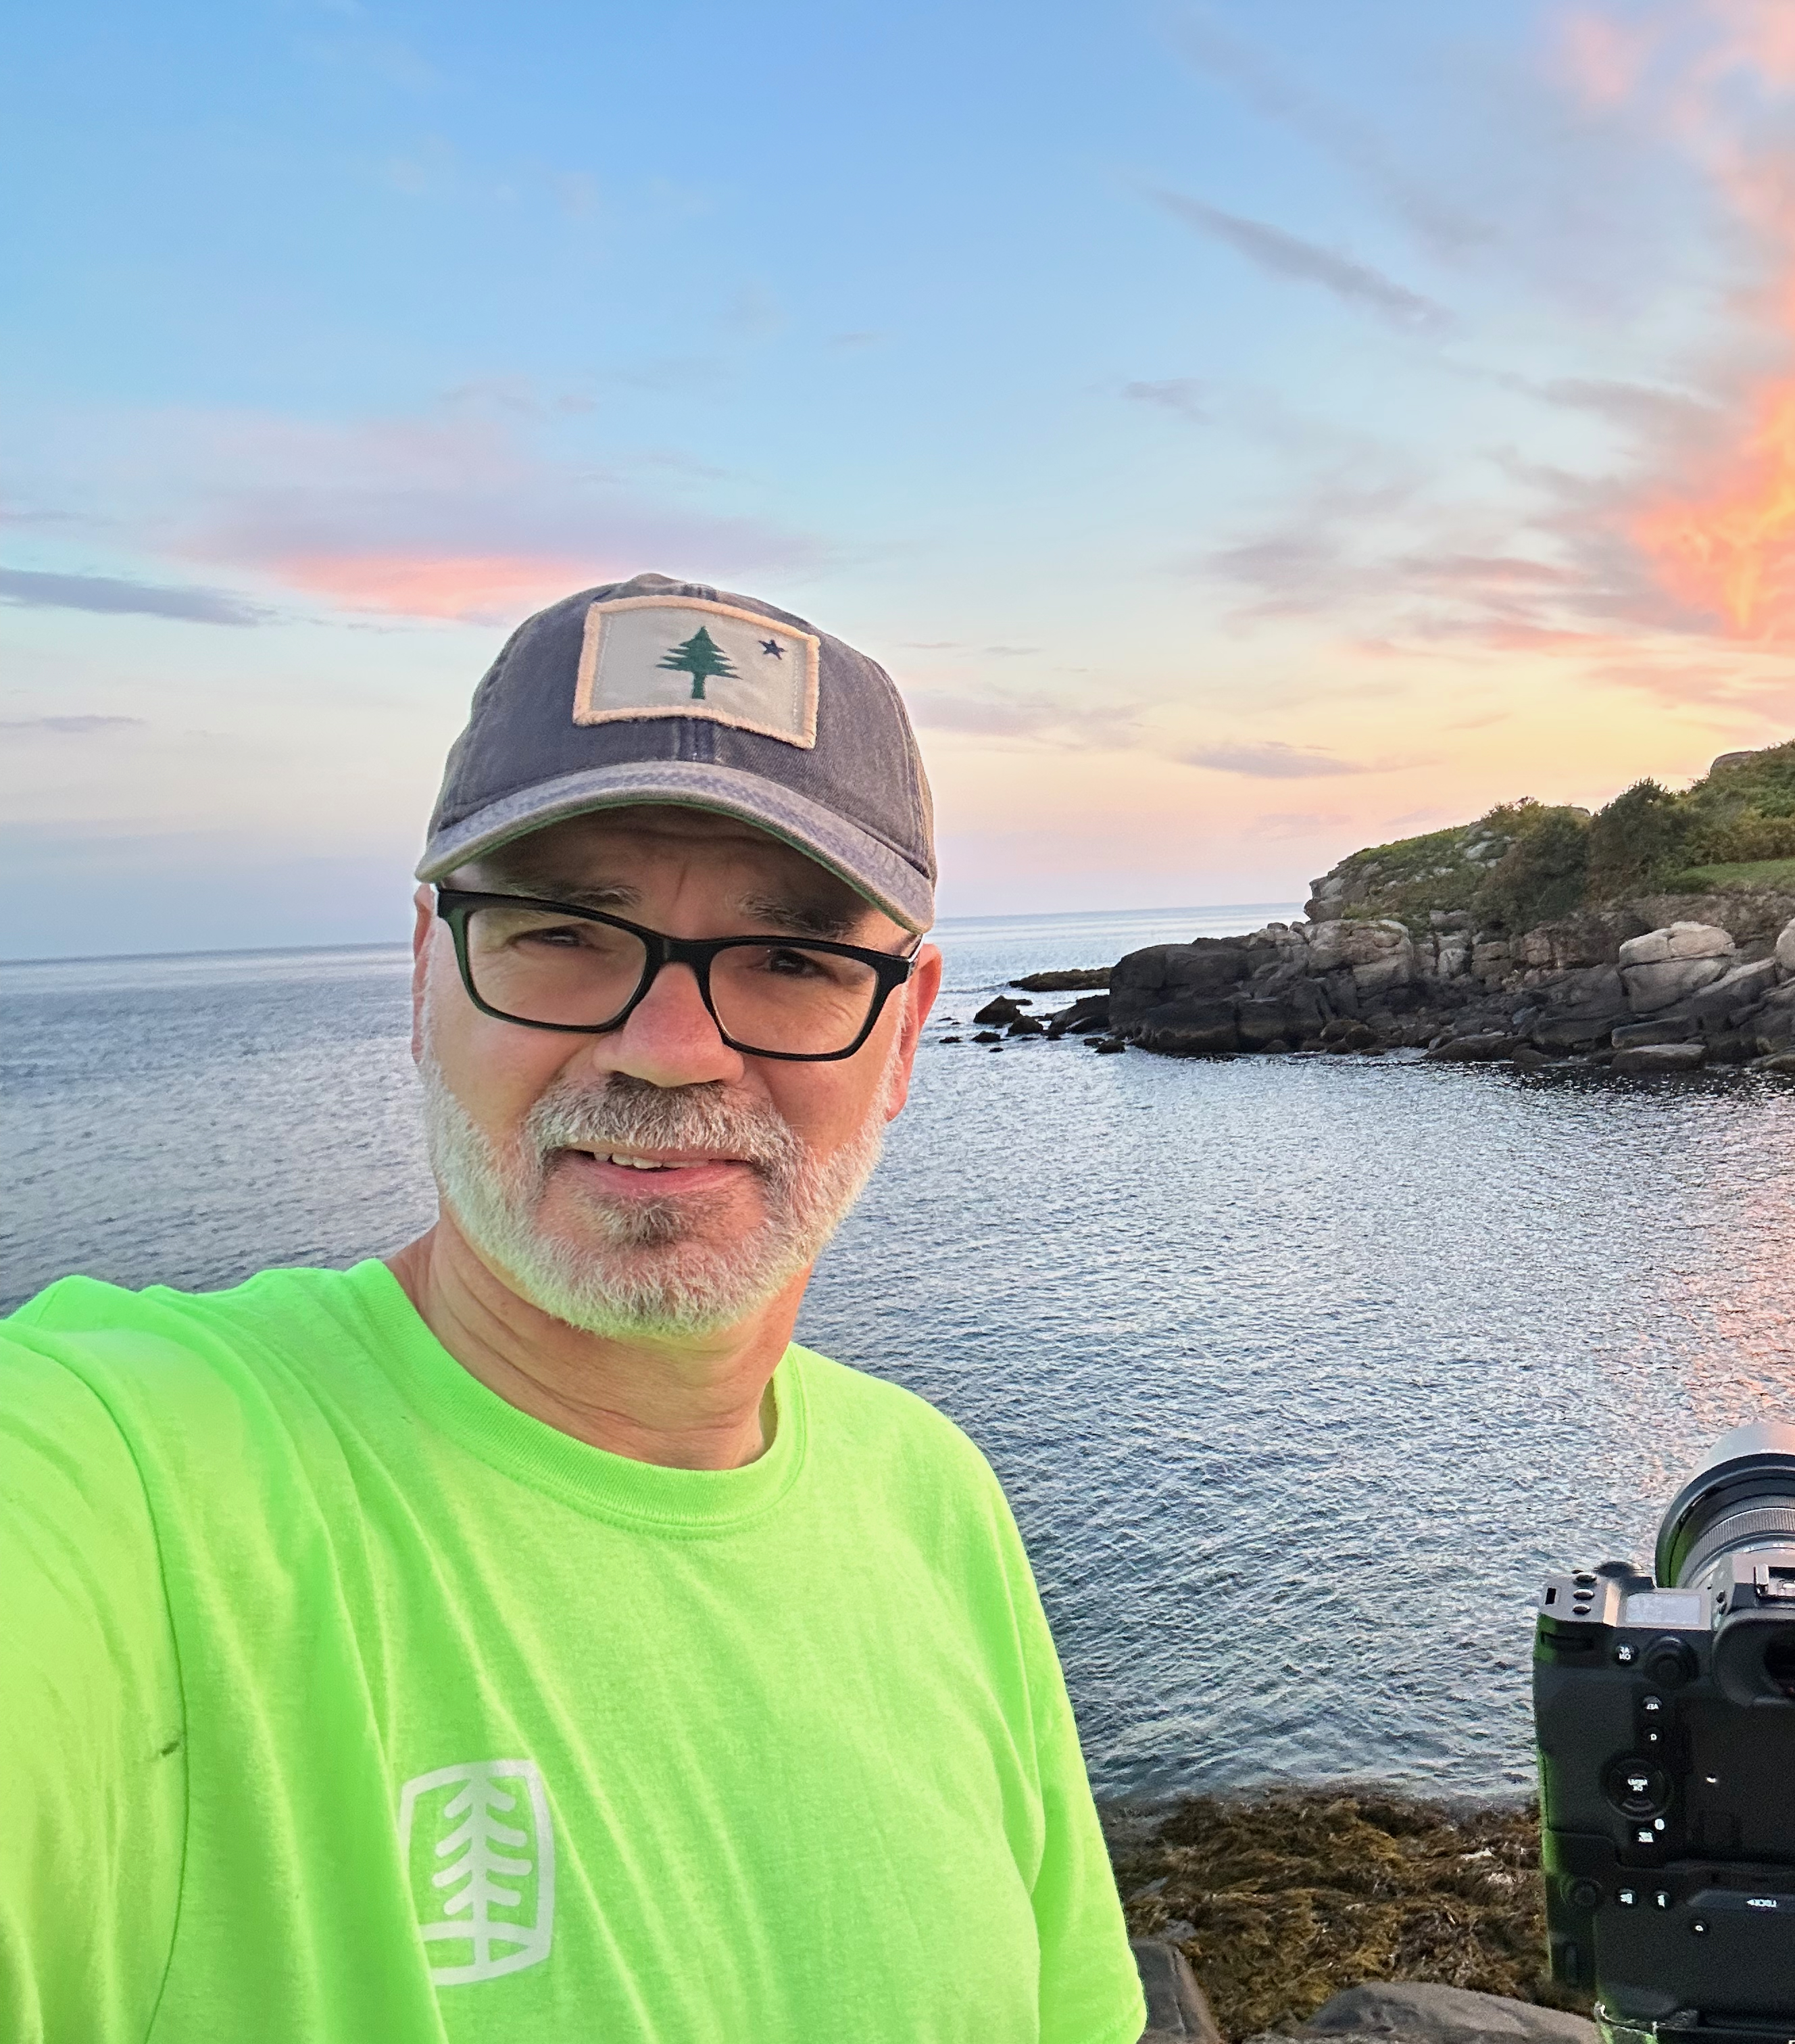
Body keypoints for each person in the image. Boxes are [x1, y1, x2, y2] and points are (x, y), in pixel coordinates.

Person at [0, 574, 1146, 2041]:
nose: (669, 1050)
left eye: (793, 959)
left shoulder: (935, 1502)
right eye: (562, 932)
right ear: (429, 972)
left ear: (907, 1032)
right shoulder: (127, 1478)